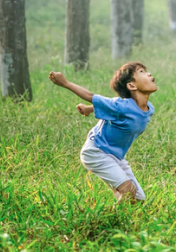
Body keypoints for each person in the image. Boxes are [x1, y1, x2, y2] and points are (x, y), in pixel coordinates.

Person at [48, 62, 157, 202]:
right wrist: (65, 83)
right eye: (141, 72)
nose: (149, 74)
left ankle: (119, 197)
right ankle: (108, 220)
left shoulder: (149, 109)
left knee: (138, 199)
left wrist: (88, 109)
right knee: (129, 192)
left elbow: (109, 108)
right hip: (96, 151)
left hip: (116, 157)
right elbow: (91, 96)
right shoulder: (121, 106)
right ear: (131, 86)